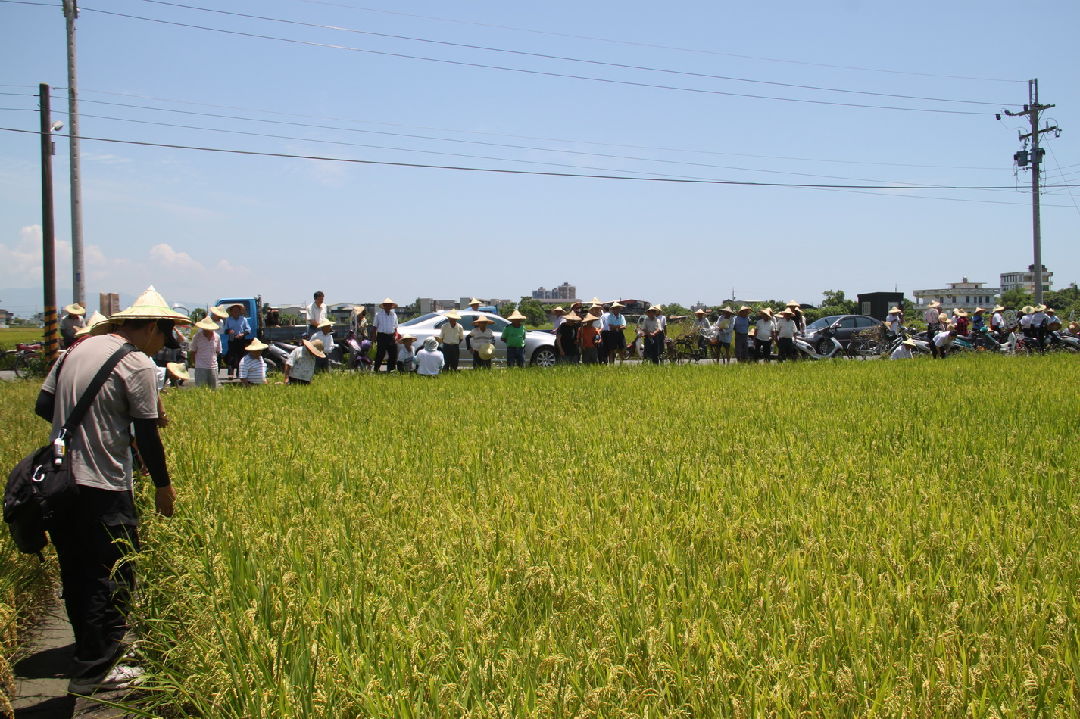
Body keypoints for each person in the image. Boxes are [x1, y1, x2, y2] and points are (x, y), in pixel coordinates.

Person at [35, 286, 189, 695]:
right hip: (103, 481)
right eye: (165, 337)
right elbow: (147, 432)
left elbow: (44, 407)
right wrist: (162, 486)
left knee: (77, 570)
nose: (162, 347)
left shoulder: (73, 351)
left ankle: (90, 651)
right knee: (113, 573)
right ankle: (97, 672)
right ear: (152, 327)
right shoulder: (136, 362)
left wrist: (86, 423)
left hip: (61, 480)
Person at [189, 317, 222, 389]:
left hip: (213, 367)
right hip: (200, 367)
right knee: (200, 389)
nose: (206, 330)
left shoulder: (217, 337)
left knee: (214, 389)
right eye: (204, 328)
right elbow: (193, 352)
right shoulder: (197, 337)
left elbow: (218, 351)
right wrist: (195, 363)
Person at [221, 303, 251, 377]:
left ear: (240, 311)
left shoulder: (243, 319)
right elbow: (224, 330)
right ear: (231, 312)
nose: (236, 312)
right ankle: (230, 374)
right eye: (234, 311)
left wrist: (243, 334)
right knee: (231, 356)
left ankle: (239, 374)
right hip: (232, 339)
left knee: (240, 356)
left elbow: (248, 329)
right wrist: (229, 331)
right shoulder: (228, 319)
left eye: (237, 311)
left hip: (241, 339)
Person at [372, 298, 399, 372]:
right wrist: (374, 337)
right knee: (380, 353)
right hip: (382, 336)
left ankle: (391, 369)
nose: (388, 306)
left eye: (390, 305)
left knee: (393, 353)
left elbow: (396, 327)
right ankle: (376, 369)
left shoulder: (394, 315)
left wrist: (396, 336)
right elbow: (374, 327)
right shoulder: (378, 315)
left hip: (391, 336)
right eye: (386, 305)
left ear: (391, 306)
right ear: (384, 306)